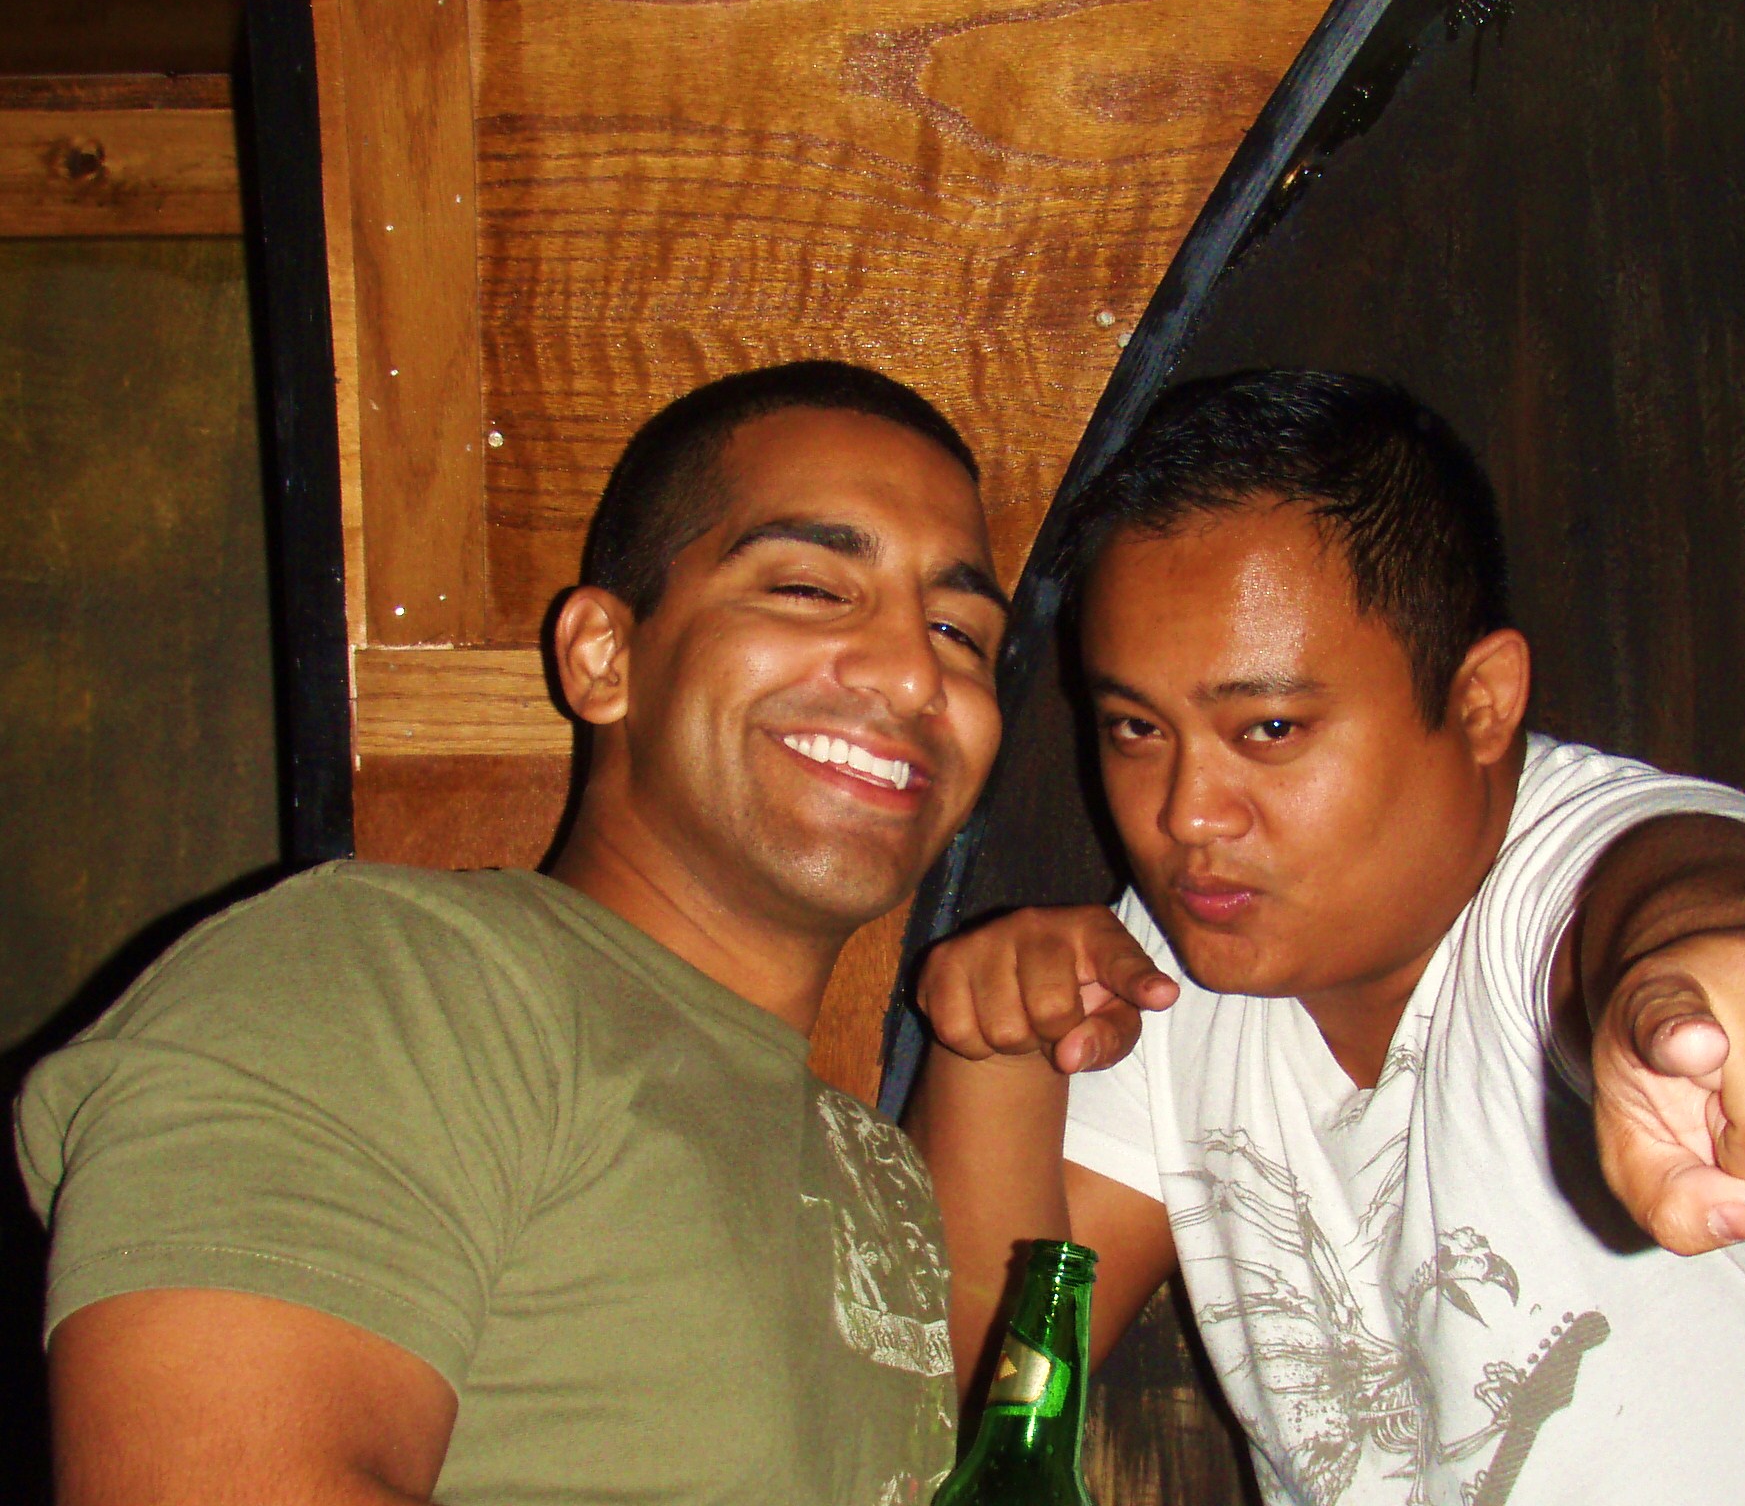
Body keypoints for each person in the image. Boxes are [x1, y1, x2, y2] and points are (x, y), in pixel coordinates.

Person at [909, 370, 1745, 1504]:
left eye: (1270, 727)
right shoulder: (1178, 960)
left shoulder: (1587, 869)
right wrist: (1002, 1045)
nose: (1188, 814)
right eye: (1136, 728)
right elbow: (962, 1394)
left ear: (1481, 701)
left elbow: (1683, 899)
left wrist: (1738, 960)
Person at [14, 362, 1014, 1505]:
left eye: (959, 631)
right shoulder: (389, 983)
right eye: (808, 588)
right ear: (604, 658)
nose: (912, 672)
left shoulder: (863, 1159)